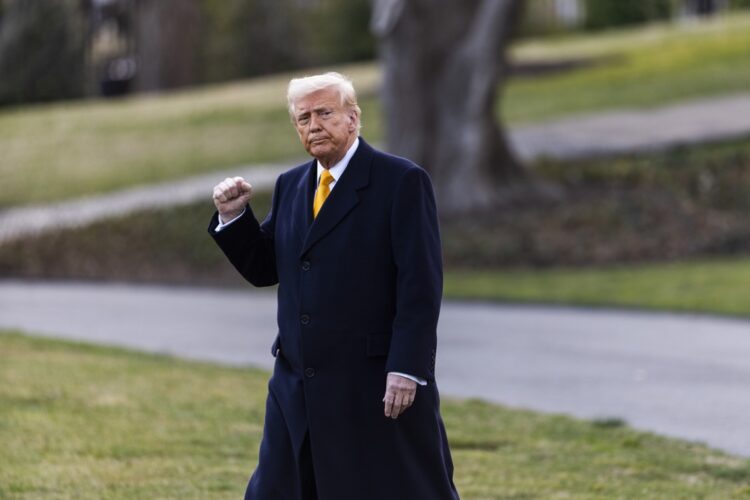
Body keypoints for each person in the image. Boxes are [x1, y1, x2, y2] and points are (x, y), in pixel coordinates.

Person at [209, 72, 459, 500]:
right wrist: (233, 218)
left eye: (325, 113)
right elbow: (266, 267)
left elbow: (420, 284)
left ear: (353, 118)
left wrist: (407, 368)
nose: (313, 125)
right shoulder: (292, 185)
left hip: (372, 384)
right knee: (276, 490)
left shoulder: (400, 181)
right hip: (297, 385)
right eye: (303, 118)